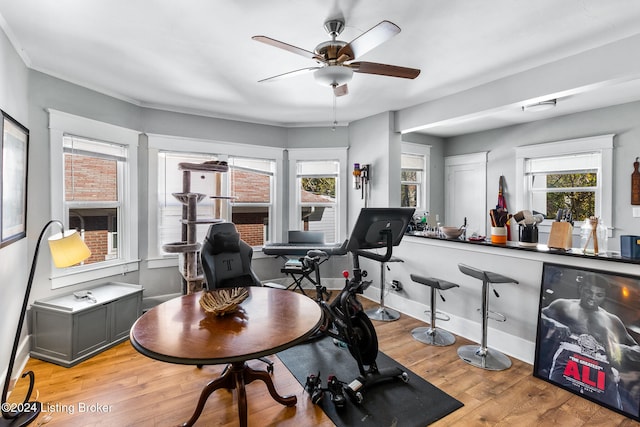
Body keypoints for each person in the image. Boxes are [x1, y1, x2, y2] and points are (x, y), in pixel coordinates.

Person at [540, 272, 640, 415]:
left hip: (602, 366)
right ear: (581, 288)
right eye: (589, 291)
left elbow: (636, 348)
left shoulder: (612, 320)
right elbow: (541, 315)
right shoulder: (564, 305)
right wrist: (554, 324)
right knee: (555, 399)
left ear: (604, 296)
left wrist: (618, 349)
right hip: (569, 360)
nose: (592, 298)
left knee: (613, 411)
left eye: (599, 295)